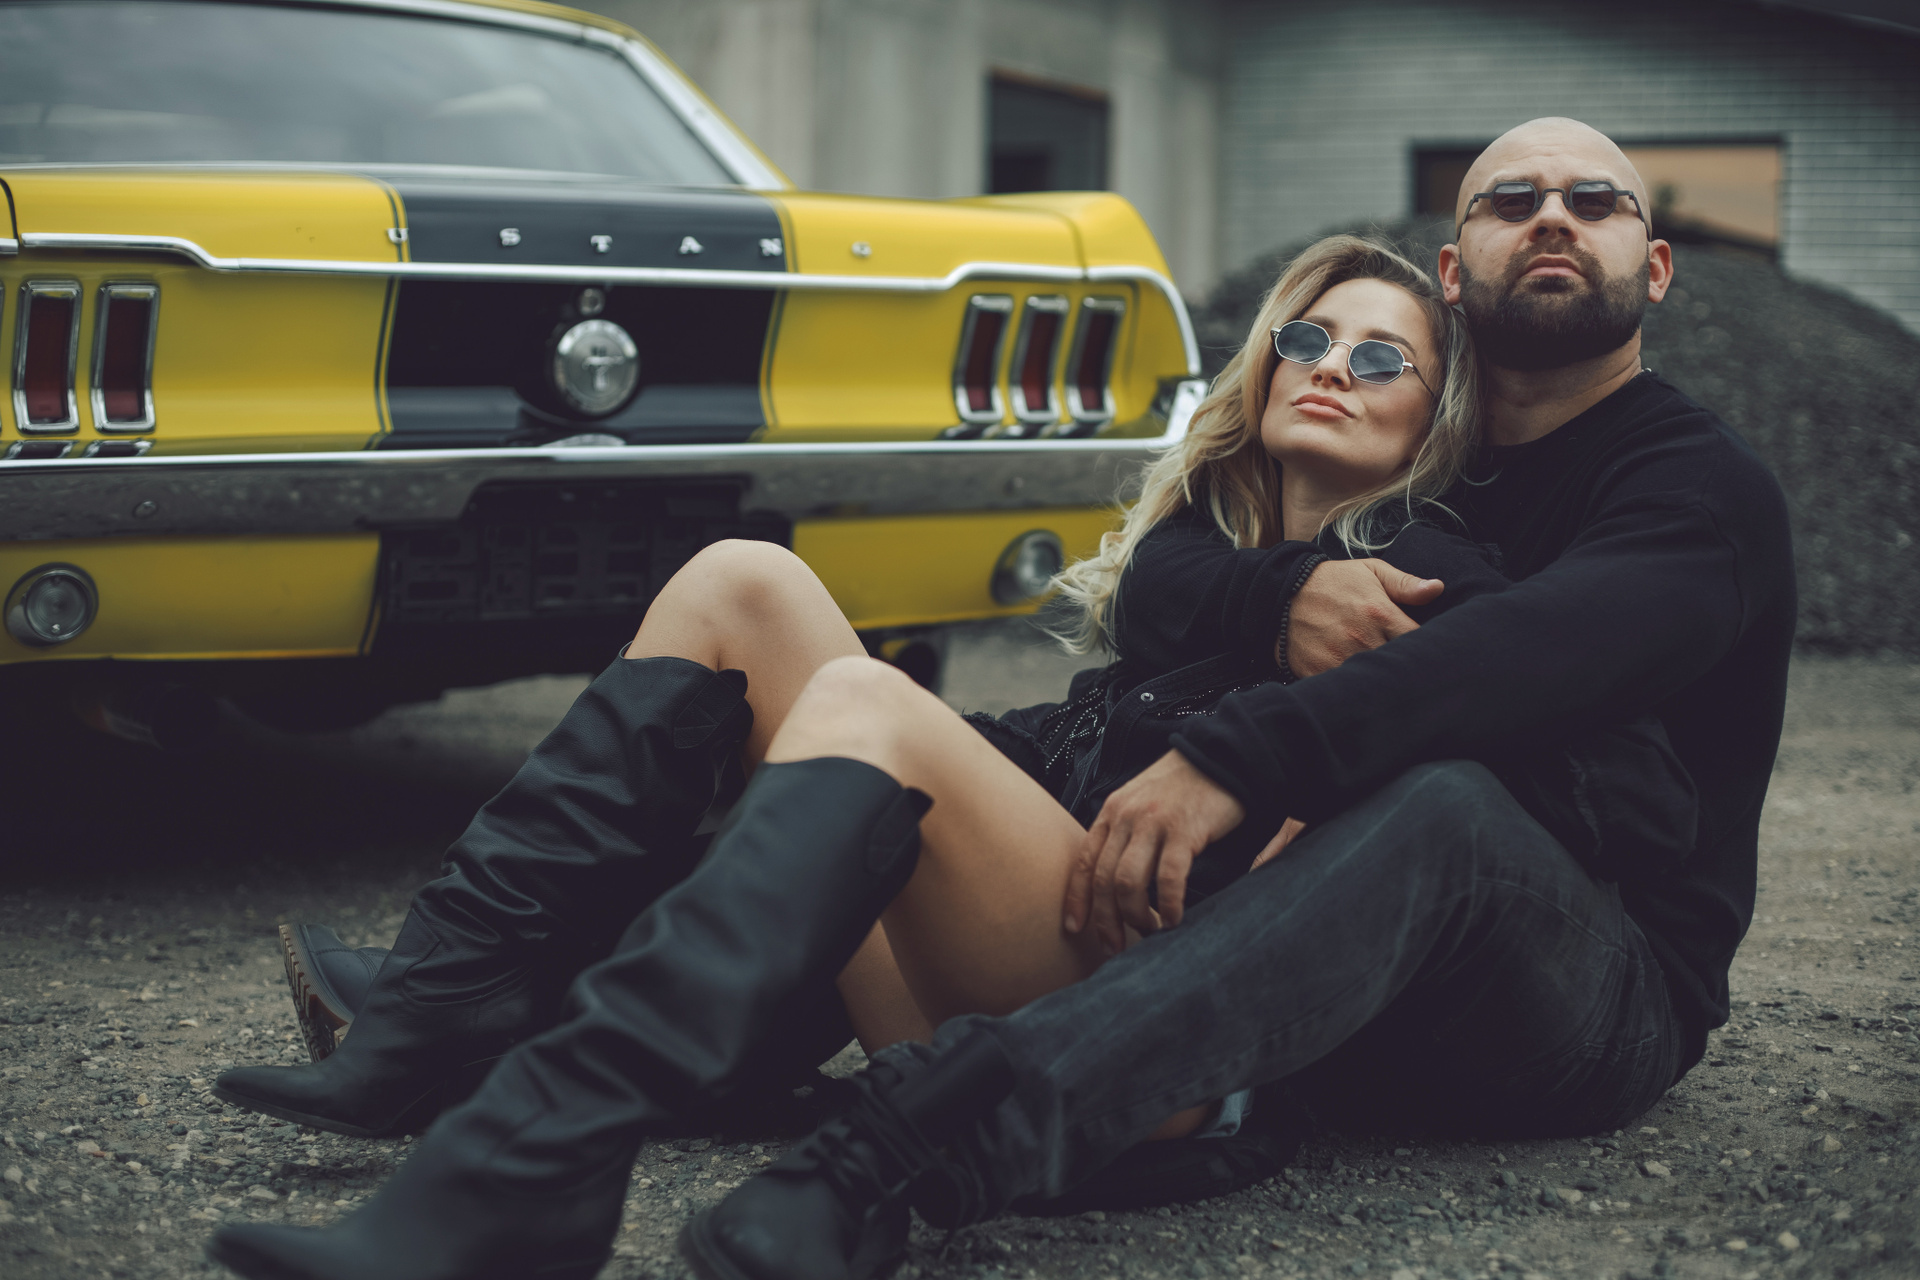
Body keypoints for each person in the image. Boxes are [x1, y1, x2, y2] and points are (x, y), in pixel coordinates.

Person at [207, 230, 1604, 1280]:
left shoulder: (1430, 580)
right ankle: (445, 1001)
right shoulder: (1219, 573)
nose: (1334, 368)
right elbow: (1047, 749)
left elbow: (1367, 867)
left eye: (1383, 358)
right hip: (1007, 958)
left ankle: (529, 1158)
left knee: (869, 707)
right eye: (1309, 338)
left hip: (1142, 1051)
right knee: (745, 578)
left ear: (1435, 414)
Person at [668, 115, 1795, 1280]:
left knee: (1446, 801)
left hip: (1594, 978)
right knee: (821, 672)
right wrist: (1279, 600)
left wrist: (1259, 753)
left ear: (1656, 266)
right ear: (1455, 274)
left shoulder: (1694, 486)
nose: (1553, 217)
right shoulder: (1428, 456)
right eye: (1511, 200)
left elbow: (1534, 675)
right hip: (1357, 966)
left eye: (1596, 201)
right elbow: (1171, 566)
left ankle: (919, 1144)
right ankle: (584, 1014)